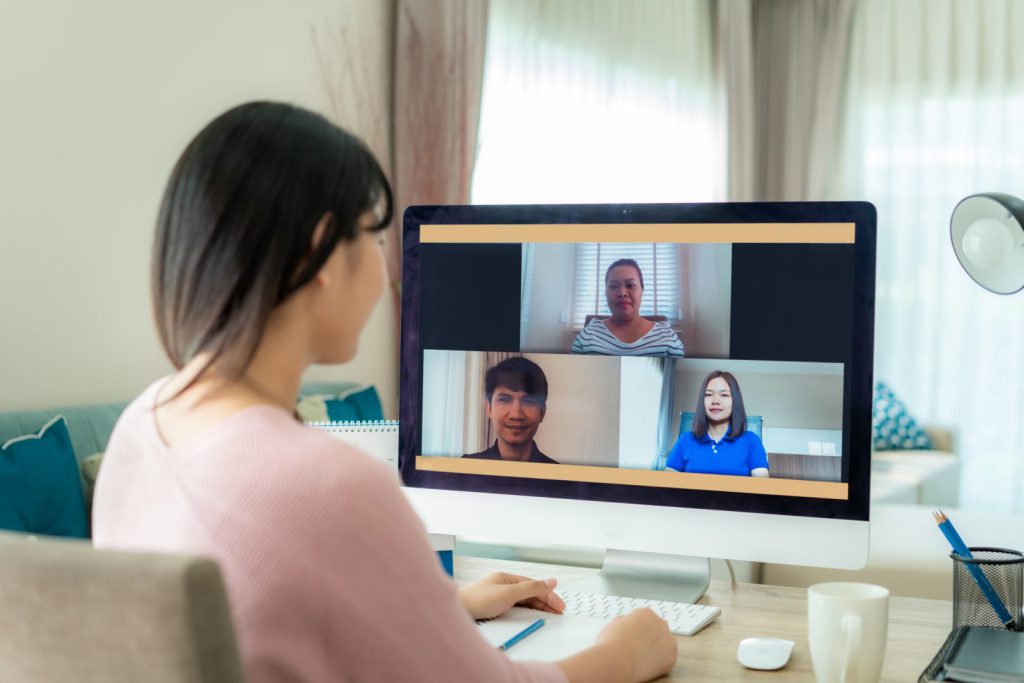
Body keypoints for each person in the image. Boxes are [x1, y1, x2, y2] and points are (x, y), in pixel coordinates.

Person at [91, 102, 675, 683]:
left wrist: (439, 608)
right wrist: (624, 654)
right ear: (319, 252)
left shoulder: (141, 425)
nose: (384, 269)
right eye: (373, 238)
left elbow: (256, 616)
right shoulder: (331, 486)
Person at [571, 259, 684, 357]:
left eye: (630, 285)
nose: (622, 293)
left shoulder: (667, 336)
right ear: (606, 292)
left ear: (642, 290)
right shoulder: (588, 334)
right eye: (614, 286)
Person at [665, 371, 769, 477]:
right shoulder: (685, 440)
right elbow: (666, 485)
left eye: (724, 395)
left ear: (735, 401)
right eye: (709, 394)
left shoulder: (751, 441)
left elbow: (762, 488)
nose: (715, 401)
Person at [463, 357, 559, 464]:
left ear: (542, 411)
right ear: (488, 408)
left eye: (528, 401)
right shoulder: (463, 470)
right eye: (504, 399)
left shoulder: (562, 477)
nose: (516, 414)